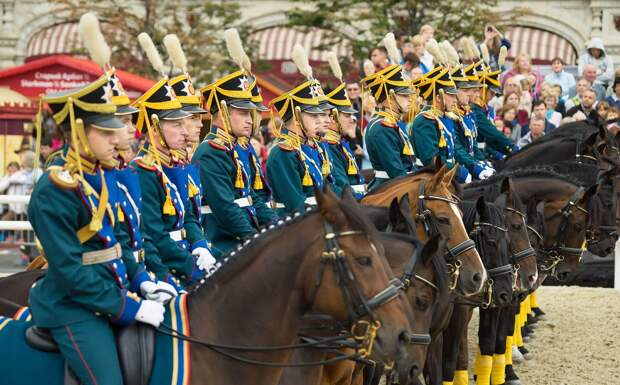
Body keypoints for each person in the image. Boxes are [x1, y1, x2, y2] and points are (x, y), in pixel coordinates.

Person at [27, 75, 165, 385]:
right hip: (72, 307)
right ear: (78, 133)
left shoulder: (100, 176)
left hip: (109, 291)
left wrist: (142, 281)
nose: (116, 140)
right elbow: (70, 272)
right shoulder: (54, 189)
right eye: (105, 132)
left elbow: (116, 243)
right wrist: (129, 307)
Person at [132, 33, 214, 289]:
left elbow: (188, 216)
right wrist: (190, 269)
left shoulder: (174, 165)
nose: (188, 129)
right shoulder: (144, 170)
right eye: (176, 124)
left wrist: (199, 245)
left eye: (184, 122)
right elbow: (154, 235)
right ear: (154, 127)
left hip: (183, 255)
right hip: (161, 265)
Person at [266, 45, 330, 215]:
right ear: (297, 117)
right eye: (313, 116)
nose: (321, 121)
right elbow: (296, 204)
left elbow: (331, 188)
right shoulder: (283, 153)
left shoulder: (312, 145)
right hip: (297, 226)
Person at [410, 62, 474, 183]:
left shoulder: (444, 117)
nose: (455, 100)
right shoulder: (424, 120)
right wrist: (460, 173)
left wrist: (474, 166)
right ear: (439, 98)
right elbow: (432, 160)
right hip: (431, 180)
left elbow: (455, 149)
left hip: (447, 176)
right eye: (451, 96)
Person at [362, 58, 416, 190]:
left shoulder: (391, 123)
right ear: (390, 98)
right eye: (404, 95)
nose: (410, 99)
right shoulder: (382, 128)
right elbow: (396, 172)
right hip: (388, 190)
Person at [323, 55, 366, 197]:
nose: (351, 119)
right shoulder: (329, 145)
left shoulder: (340, 142)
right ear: (333, 116)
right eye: (346, 116)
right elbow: (342, 186)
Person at [471, 59, 518, 160]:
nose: (492, 96)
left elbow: (491, 139)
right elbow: (492, 133)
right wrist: (511, 147)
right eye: (491, 93)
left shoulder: (486, 109)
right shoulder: (475, 109)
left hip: (484, 153)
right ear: (482, 90)